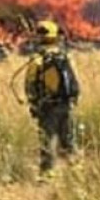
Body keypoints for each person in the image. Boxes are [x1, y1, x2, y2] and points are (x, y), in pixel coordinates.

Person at [24, 20, 80, 174]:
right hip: (66, 106)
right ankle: (77, 173)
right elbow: (75, 82)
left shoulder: (37, 60)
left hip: (47, 109)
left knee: (47, 144)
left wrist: (34, 105)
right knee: (69, 142)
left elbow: (30, 86)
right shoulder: (65, 57)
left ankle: (46, 175)